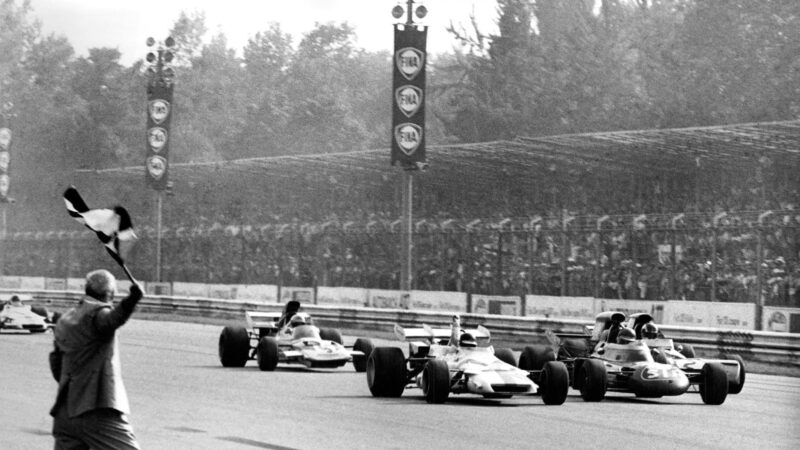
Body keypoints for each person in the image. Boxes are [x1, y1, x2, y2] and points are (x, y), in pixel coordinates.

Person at [49, 269, 143, 450]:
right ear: (111, 293)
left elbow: (56, 364)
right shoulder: (98, 315)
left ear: (87, 290)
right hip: (95, 411)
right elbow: (112, 320)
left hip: (64, 411)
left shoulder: (65, 319)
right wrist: (132, 299)